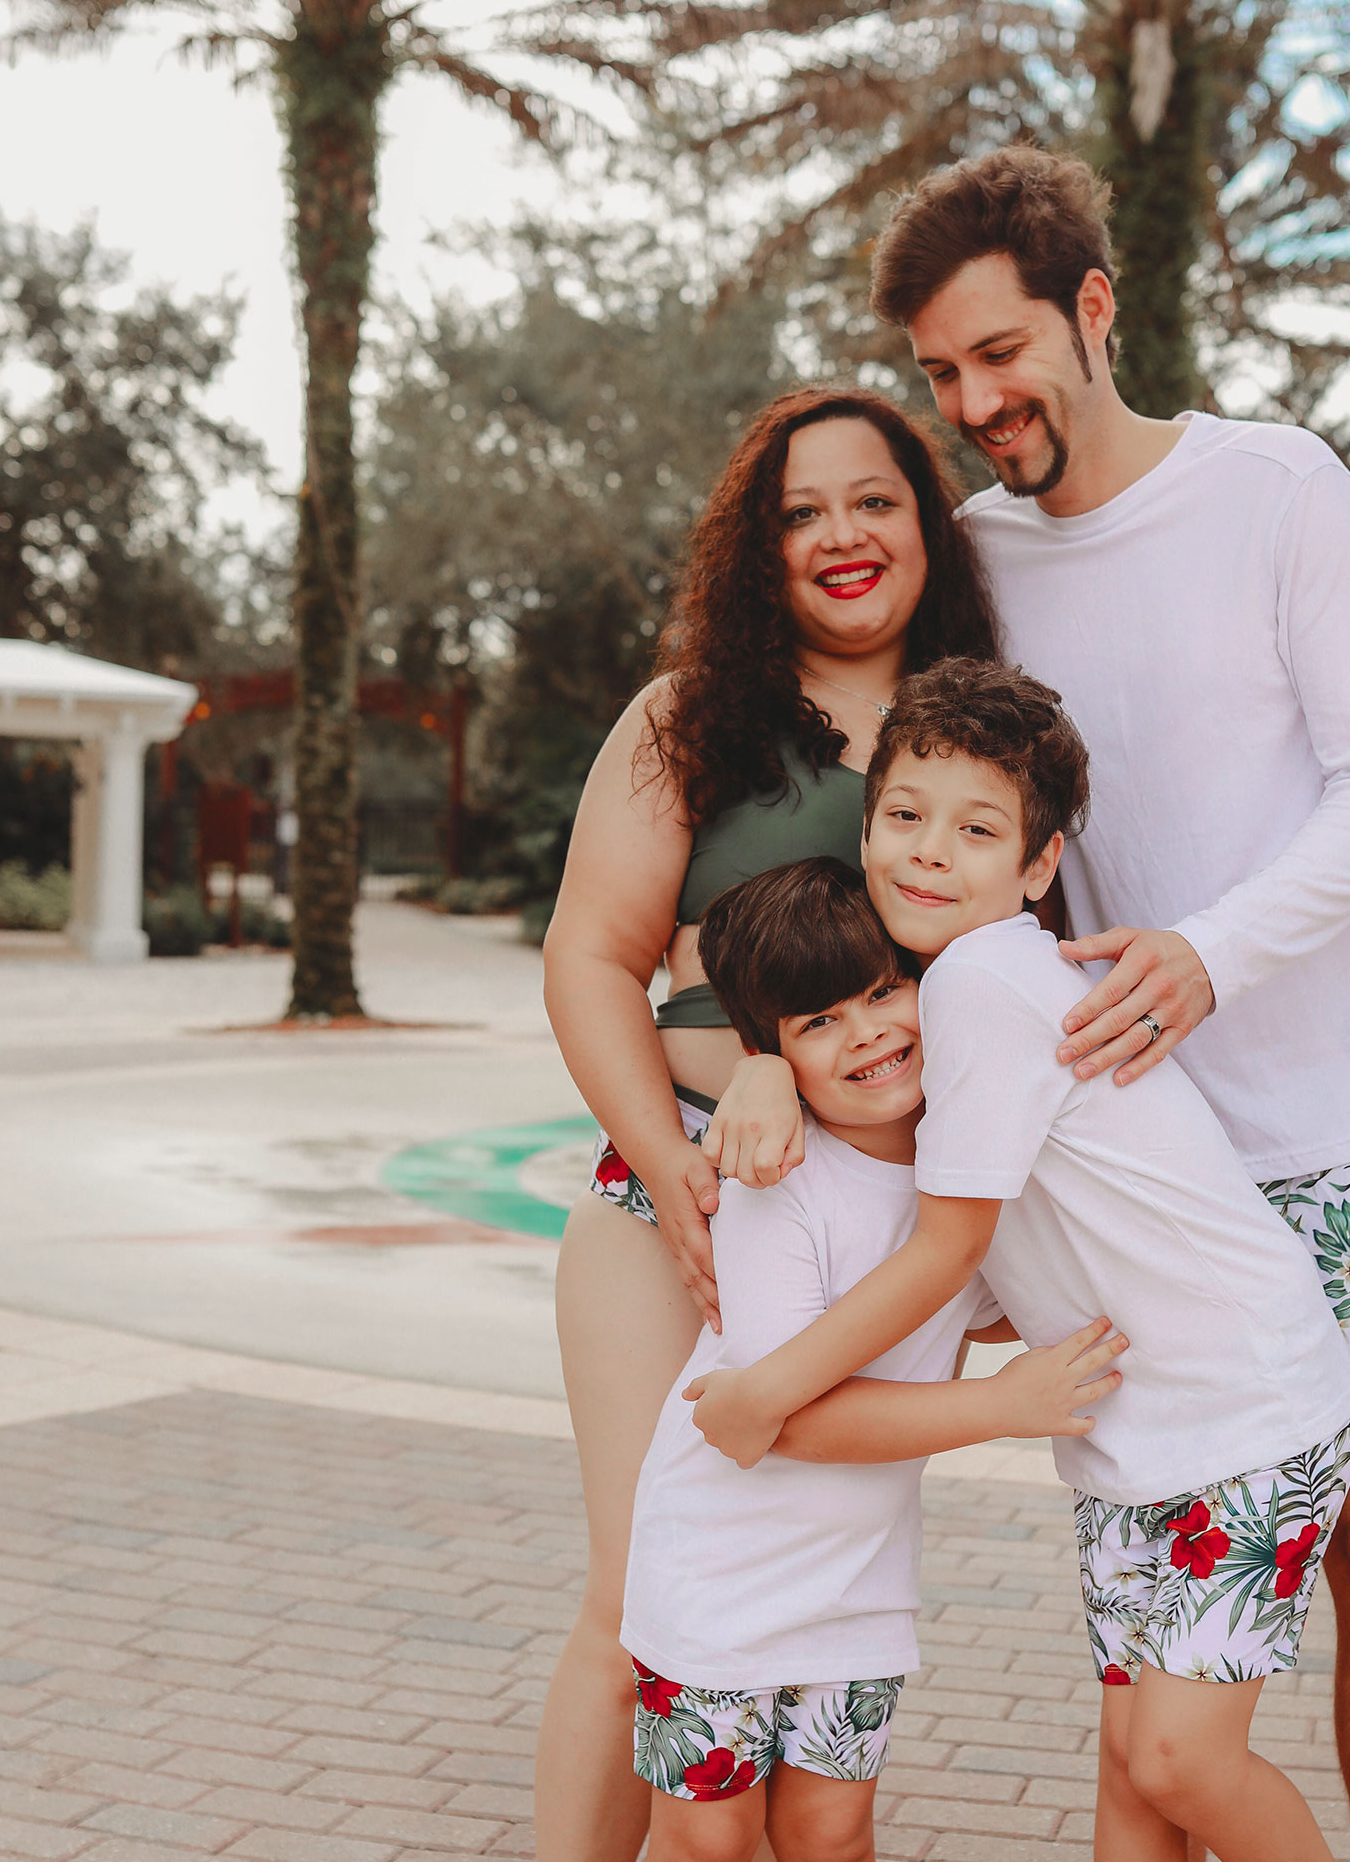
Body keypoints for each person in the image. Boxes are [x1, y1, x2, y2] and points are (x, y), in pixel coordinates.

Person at [866, 147, 1350, 1862]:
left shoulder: (1280, 490)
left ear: (1095, 311)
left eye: (1002, 353)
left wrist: (1206, 951)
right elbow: (895, 784)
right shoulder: (971, 559)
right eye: (944, 374)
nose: (978, 402)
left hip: (1345, 1118)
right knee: (1165, 1650)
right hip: (1146, 1155)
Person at [688, 660, 1350, 1862]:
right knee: (1128, 1776)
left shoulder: (987, 988)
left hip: (1243, 1404)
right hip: (1131, 1420)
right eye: (905, 815)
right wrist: (762, 1064)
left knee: (1176, 1759)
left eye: (978, 829)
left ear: (1038, 870)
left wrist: (763, 1393)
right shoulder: (938, 988)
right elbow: (787, 993)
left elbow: (949, 1249)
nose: (929, 853)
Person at [535, 386, 1001, 1862]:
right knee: (640, 1611)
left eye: (874, 500)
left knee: (803, 1620)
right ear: (760, 549)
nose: (841, 535)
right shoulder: (693, 717)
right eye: (801, 513)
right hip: (662, 1215)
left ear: (926, 524)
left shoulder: (979, 731)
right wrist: (681, 1152)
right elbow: (592, 959)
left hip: (874, 1243)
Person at [622, 856, 1124, 1862]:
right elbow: (783, 1425)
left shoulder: (962, 1177)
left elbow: (984, 1310)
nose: (869, 1034)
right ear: (774, 1055)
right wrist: (1001, 1407)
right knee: (706, 1844)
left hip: (856, 1588)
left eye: (884, 992)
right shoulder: (778, 1182)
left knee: (833, 1834)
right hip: (718, 1577)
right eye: (819, 1023)